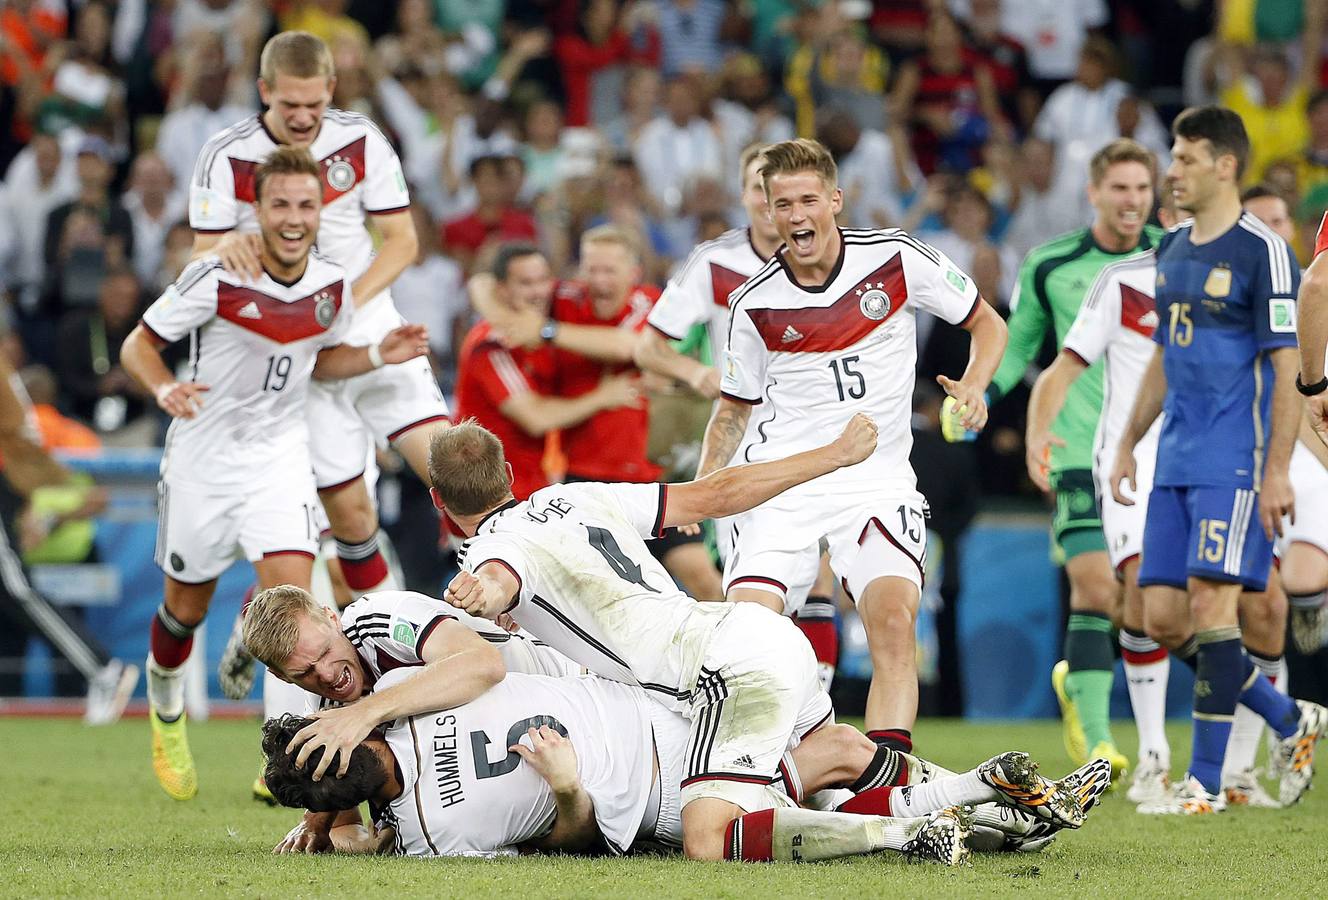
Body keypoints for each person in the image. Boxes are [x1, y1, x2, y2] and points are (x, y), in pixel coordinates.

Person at [429, 410, 1075, 863]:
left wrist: (486, 591)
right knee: (840, 758)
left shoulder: (494, 547)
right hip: (763, 631)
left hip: (718, 671)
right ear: (511, 473)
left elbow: (499, 574)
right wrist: (832, 457)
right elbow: (716, 495)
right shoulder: (578, 497)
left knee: (709, 836)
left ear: (438, 500)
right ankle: (996, 805)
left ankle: (900, 839)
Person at [120, 146, 429, 801]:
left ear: (324, 209)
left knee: (295, 616)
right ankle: (166, 706)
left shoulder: (331, 285)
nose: (294, 217)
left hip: (279, 459)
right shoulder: (216, 274)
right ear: (255, 210)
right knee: (182, 611)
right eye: (280, 204)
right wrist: (164, 388)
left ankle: (291, 758)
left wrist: (378, 351)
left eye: (306, 204)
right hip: (202, 460)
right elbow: (137, 346)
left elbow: (320, 361)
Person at [697, 138, 1007, 750]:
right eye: (782, 203)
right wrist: (707, 489)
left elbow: (987, 323)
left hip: (877, 479)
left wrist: (973, 385)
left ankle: (881, 793)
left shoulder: (896, 260)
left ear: (835, 200)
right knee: (751, 638)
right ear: (766, 209)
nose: (796, 215)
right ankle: (769, 770)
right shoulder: (753, 303)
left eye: (808, 199)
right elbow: (733, 410)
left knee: (894, 624)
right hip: (783, 482)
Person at [259, 674, 1112, 860]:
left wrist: (321, 821)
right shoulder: (429, 839)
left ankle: (990, 811)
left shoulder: (410, 695)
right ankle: (979, 805)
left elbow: (476, 660)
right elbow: (576, 848)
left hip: (657, 710)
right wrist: (567, 792)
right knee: (826, 761)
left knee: (839, 753)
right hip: (654, 790)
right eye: (327, 780)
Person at [1110, 106, 1327, 814]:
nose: (1171, 172)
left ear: (1224, 165)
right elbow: (1162, 362)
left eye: (1185, 159)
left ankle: (1203, 783)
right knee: (1162, 616)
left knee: (1212, 608)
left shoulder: (1262, 251)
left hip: (1234, 460)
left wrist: (1272, 473)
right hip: (1173, 456)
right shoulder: (1171, 251)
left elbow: (1286, 363)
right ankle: (1290, 717)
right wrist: (1125, 443)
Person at [188, 31, 445, 608]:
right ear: (264, 92)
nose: (303, 118)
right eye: (289, 106)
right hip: (293, 350)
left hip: (374, 326)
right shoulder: (226, 155)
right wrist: (224, 251)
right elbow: (201, 253)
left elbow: (403, 242)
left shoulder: (361, 141)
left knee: (452, 473)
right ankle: (385, 647)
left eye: (314, 104)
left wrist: (344, 304)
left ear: (331, 88)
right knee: (350, 519)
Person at [633, 144, 839, 686]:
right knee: (751, 590)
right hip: (744, 440)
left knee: (820, 575)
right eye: (758, 189)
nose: (771, 203)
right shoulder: (716, 263)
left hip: (820, 437)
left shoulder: (837, 260)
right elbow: (649, 347)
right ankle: (762, 698)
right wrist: (694, 373)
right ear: (750, 197)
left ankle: (814, 703)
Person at [992, 138, 1164, 781]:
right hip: (1074, 448)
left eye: (1142, 189)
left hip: (1152, 452)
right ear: (1093, 193)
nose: (1132, 200)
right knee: (1095, 587)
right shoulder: (1049, 263)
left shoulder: (1174, 259)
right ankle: (1099, 743)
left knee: (1140, 601)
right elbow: (1020, 349)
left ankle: (1079, 686)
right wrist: (981, 397)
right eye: (1120, 188)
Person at [456, 243, 639, 501]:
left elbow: (628, 345)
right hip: (486, 493)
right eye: (525, 283)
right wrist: (602, 397)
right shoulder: (491, 347)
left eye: (543, 280)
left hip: (532, 487)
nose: (538, 291)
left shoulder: (548, 331)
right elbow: (535, 418)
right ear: (502, 289)